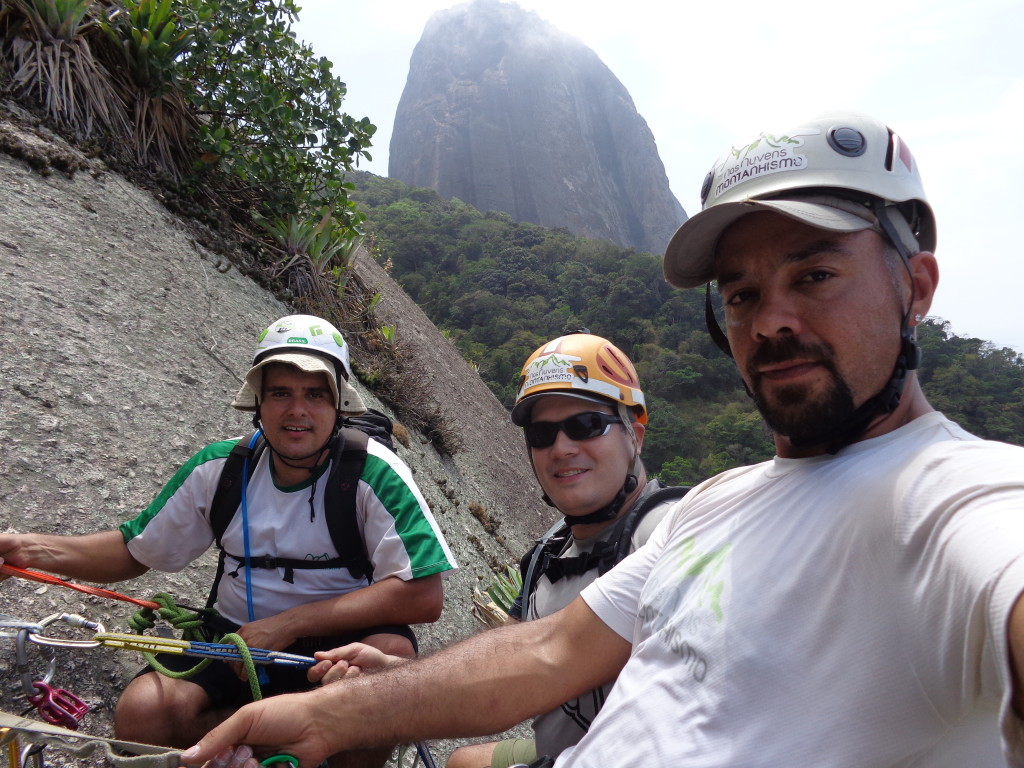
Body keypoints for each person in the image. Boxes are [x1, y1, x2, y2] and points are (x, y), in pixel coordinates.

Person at [181, 112, 1024, 768]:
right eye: (740, 295)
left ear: (914, 288)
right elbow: (550, 651)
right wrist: (322, 714)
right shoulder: (721, 504)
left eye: (815, 275)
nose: (772, 321)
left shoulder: (958, 499)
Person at [0, 314, 457, 767]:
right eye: (280, 393)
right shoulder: (222, 468)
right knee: (145, 710)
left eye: (315, 394)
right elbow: (134, 550)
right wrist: (29, 550)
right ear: (258, 403)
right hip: (232, 638)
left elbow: (422, 595)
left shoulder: (373, 472)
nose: (297, 410)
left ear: (338, 405)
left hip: (337, 647)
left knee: (382, 672)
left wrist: (290, 624)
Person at [446, 332, 689, 768]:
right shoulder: (548, 551)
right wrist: (392, 671)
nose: (561, 448)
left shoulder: (665, 535)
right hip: (561, 752)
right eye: (542, 434)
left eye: (586, 425)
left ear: (635, 433)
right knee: (462, 762)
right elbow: (508, 665)